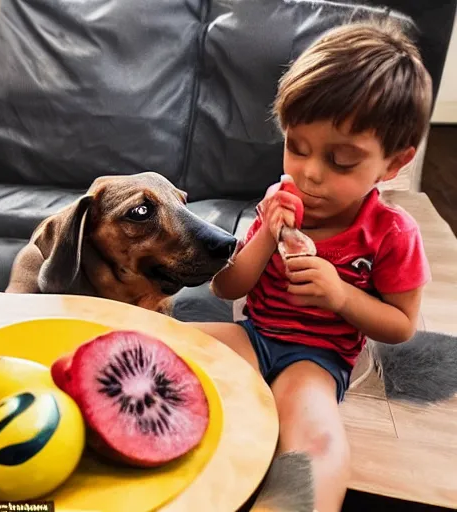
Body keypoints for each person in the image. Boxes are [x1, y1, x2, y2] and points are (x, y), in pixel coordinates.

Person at [188, 18, 433, 512]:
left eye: (341, 161)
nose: (311, 174)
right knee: (166, 349)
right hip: (254, 335)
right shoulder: (278, 201)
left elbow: (402, 326)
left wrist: (341, 296)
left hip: (315, 358)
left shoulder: (391, 232)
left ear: (393, 164)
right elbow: (226, 288)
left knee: (313, 437)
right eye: (296, 147)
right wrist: (264, 236)